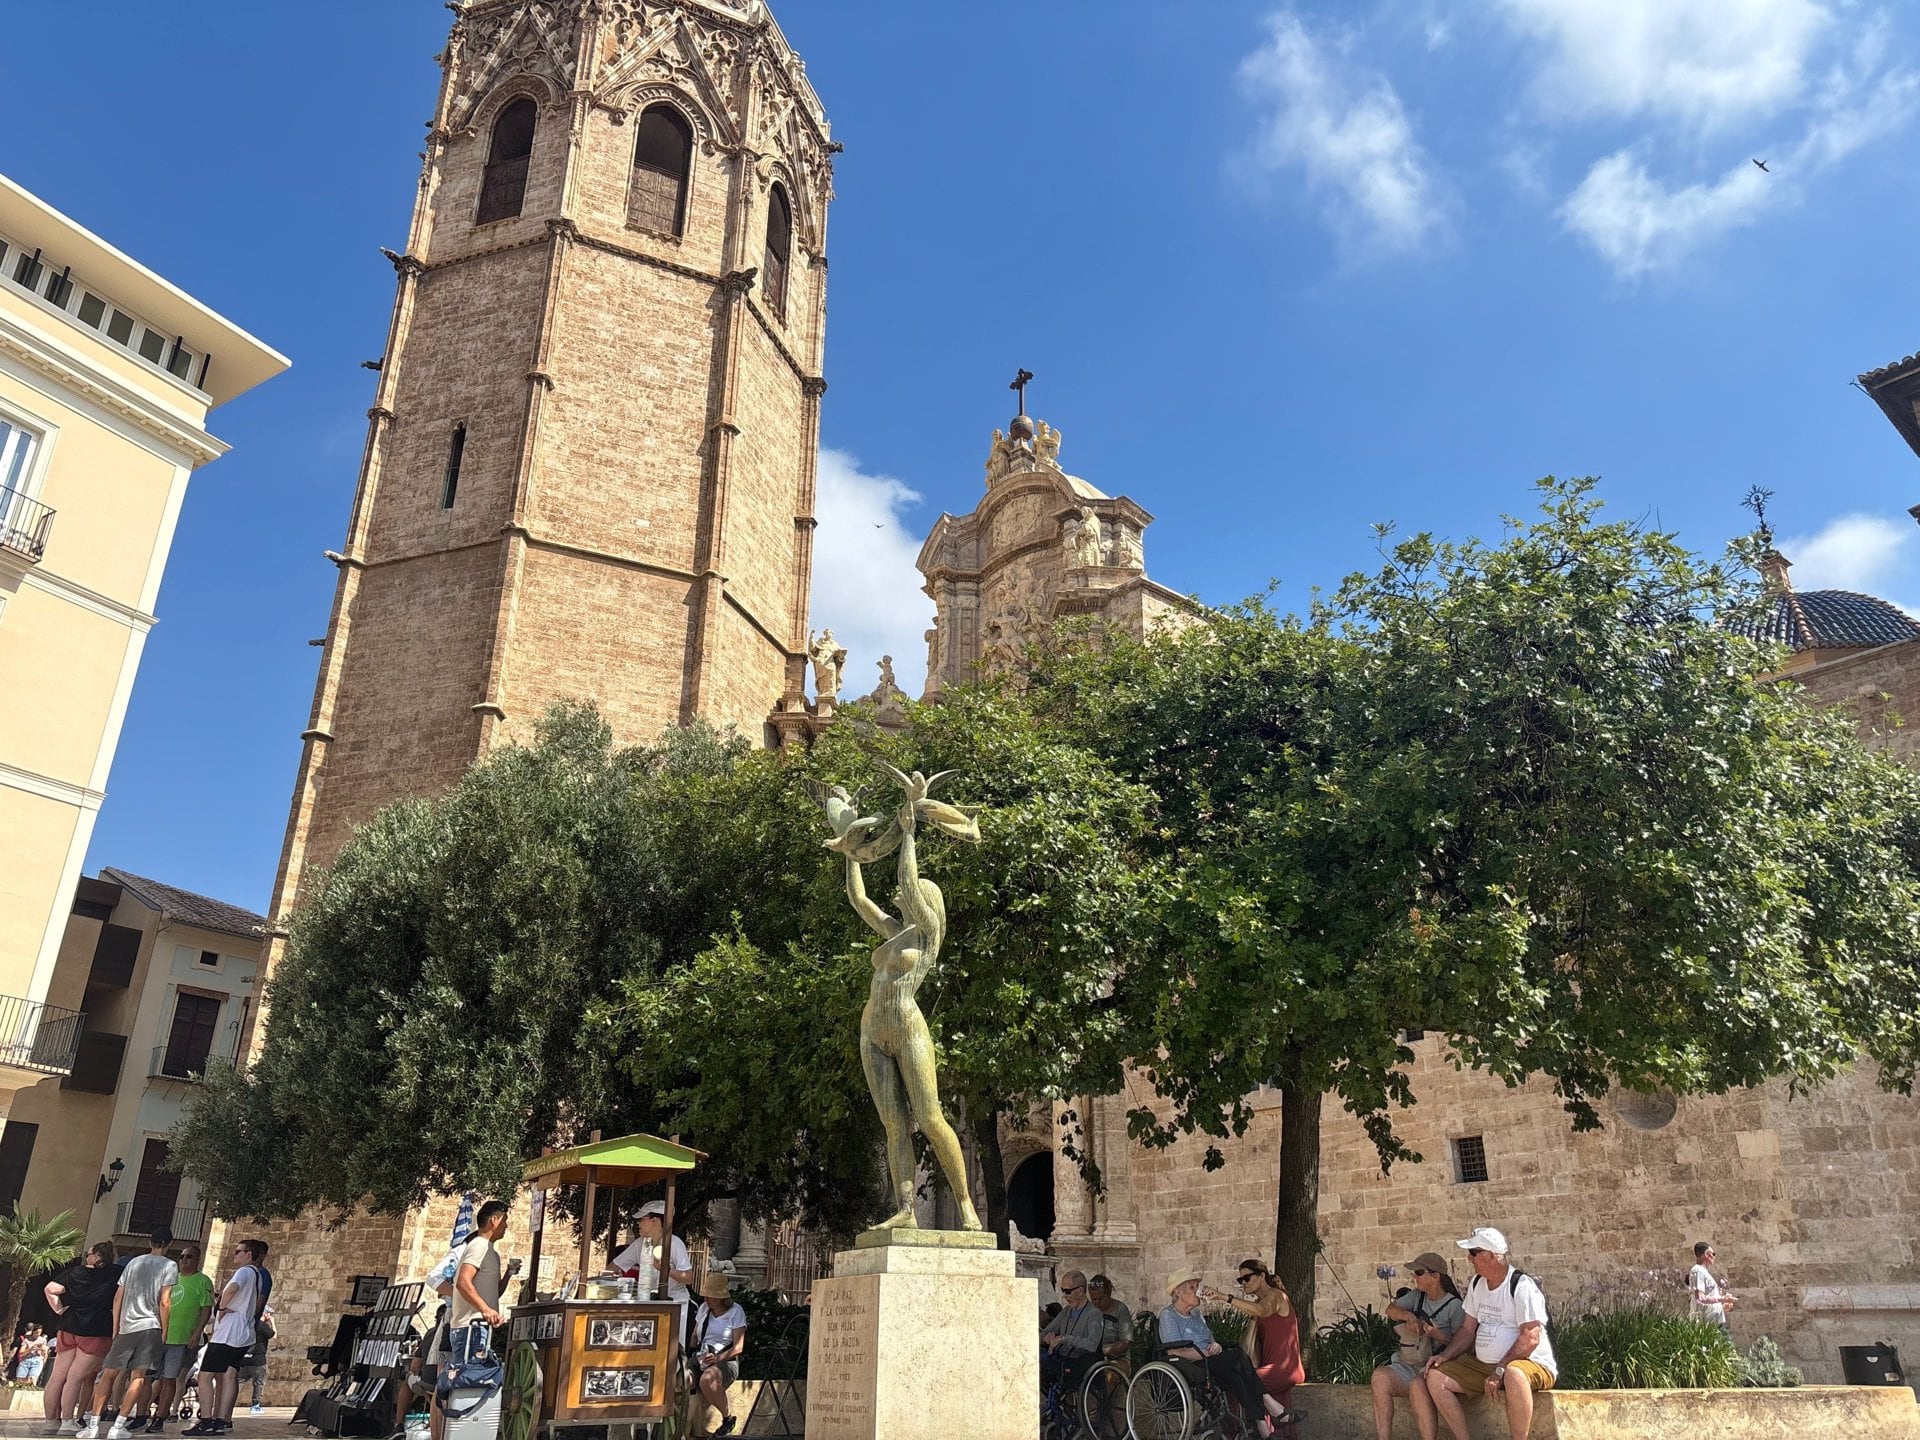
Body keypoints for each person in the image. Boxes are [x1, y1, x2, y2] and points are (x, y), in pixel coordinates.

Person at [1418, 1228, 1556, 1440]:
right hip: (1485, 1366)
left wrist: (1501, 1368)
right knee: (1435, 1377)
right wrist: (1445, 1356)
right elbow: (1467, 1329)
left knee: (1514, 1375)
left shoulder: (1521, 1285)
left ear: (1492, 1255)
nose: (1469, 1258)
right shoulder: (1476, 1284)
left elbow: (1530, 1338)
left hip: (1529, 1362)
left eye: (1474, 1253)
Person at [78, 1227, 177, 1440]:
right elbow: (165, 1300)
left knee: (109, 1374)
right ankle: (118, 1426)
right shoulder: (170, 1265)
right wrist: (165, 1330)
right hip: (151, 1325)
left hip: (127, 1325)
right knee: (138, 1377)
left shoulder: (134, 1262)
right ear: (168, 1244)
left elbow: (118, 1296)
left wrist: (116, 1326)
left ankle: (93, 1425)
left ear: (150, 1242)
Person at [1158, 1271, 1276, 1440]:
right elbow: (1174, 1351)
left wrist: (1216, 1345)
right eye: (1192, 1287)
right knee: (1236, 1356)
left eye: (1197, 1286)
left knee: (1237, 1376)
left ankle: (1261, 1425)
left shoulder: (1197, 1315)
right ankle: (1267, 1402)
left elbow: (1210, 1339)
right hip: (1191, 1365)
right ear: (1178, 1292)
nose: (1197, 1290)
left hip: (1210, 1361)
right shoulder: (1168, 1315)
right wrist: (1204, 1352)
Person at [430, 1201, 508, 1440]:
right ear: (494, 1220)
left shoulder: (489, 1251)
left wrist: (508, 1277)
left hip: (479, 1327)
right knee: (466, 1384)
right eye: (505, 1220)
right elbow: (462, 1282)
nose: (507, 1226)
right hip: (470, 1328)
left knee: (472, 1383)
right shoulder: (478, 1246)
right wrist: (484, 1309)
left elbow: (489, 1291)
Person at [1370, 1252, 1463, 1440]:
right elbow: (1391, 1309)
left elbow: (1463, 1345)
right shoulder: (1417, 1296)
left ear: (1436, 1276)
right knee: (1379, 1377)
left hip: (1437, 1366)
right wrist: (1409, 1317)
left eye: (1419, 1272)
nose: (1414, 1276)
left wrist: (1439, 1336)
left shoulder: (1455, 1306)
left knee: (1417, 1385)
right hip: (1411, 1361)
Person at [184, 1238, 271, 1437]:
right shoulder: (258, 1275)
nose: (235, 1255)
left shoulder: (243, 1272)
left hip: (227, 1335)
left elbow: (232, 1289)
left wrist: (221, 1306)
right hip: (243, 1334)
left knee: (205, 1376)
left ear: (249, 1254)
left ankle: (206, 1420)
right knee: (230, 1375)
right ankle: (222, 1420)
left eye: (239, 1251)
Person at [45, 1242, 120, 1434]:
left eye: (89, 1254)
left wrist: (60, 1309)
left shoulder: (75, 1273)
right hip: (96, 1329)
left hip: (68, 1326)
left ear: (98, 1256)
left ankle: (51, 1422)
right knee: (75, 1378)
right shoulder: (116, 1273)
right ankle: (67, 1422)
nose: (87, 1257)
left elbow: (50, 1289)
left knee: (57, 1377)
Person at [1224, 1260, 1304, 1427]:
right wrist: (1253, 1320)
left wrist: (1226, 1298)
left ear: (1261, 1276)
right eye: (1240, 1280)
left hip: (1284, 1370)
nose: (1243, 1283)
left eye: (1247, 1278)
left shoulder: (1276, 1295)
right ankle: (1265, 1428)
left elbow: (1263, 1310)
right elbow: (1245, 1350)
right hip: (1270, 1369)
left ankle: (1262, 1429)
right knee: (1234, 1379)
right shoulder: (1258, 1307)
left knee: (1235, 1384)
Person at [146, 1242, 213, 1433]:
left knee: (170, 1379)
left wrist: (196, 1333)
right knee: (149, 1378)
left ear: (197, 1259)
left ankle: (160, 1417)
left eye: (189, 1256)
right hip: (160, 1336)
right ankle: (142, 1414)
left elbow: (206, 1310)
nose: (184, 1260)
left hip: (181, 1339)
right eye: (182, 1256)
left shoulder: (203, 1281)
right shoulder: (172, 1278)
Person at [689, 1273, 747, 1438]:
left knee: (708, 1379)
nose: (708, 1300)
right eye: (706, 1296)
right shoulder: (703, 1308)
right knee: (682, 1379)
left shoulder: (736, 1312)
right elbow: (695, 1336)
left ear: (722, 1298)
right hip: (701, 1356)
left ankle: (727, 1418)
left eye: (712, 1297)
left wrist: (717, 1359)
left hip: (725, 1359)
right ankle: (689, 1420)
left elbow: (738, 1347)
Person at [611, 1201, 693, 1305]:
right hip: (650, 1302)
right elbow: (616, 1265)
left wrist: (666, 1270)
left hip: (675, 1304)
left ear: (654, 1220)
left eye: (641, 1219)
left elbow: (688, 1278)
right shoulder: (640, 1243)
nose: (638, 1223)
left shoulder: (674, 1243)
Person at [1040, 1271, 1104, 1394]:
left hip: (1079, 1362)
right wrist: (1046, 1338)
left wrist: (1064, 1338)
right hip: (1061, 1358)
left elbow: (1092, 1344)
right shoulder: (1066, 1312)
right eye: (1062, 1290)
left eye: (1067, 1291)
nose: (1064, 1295)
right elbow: (1044, 1333)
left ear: (1080, 1291)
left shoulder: (1094, 1314)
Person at [1086, 1276, 1135, 1362]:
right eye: (1093, 1299)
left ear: (1109, 1295)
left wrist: (1103, 1351)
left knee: (1107, 1374)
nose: (1097, 1302)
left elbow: (1126, 1342)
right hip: (1091, 1358)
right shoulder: (1088, 1310)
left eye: (1101, 1299)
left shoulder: (1120, 1309)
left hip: (1117, 1359)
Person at [1688, 1242, 1735, 1330]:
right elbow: (1700, 1298)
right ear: (1706, 1254)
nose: (1714, 1257)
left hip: (1716, 1320)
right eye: (1713, 1254)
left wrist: (1722, 1305)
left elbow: (1709, 1298)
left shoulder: (1703, 1272)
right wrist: (1723, 1298)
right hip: (1708, 1323)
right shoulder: (1698, 1271)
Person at [236, 1309, 270, 1415]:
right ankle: (256, 1405)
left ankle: (228, 1402)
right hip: (258, 1361)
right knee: (259, 1383)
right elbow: (273, 1334)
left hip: (244, 1359)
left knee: (238, 1383)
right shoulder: (261, 1325)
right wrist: (272, 1322)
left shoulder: (246, 1323)